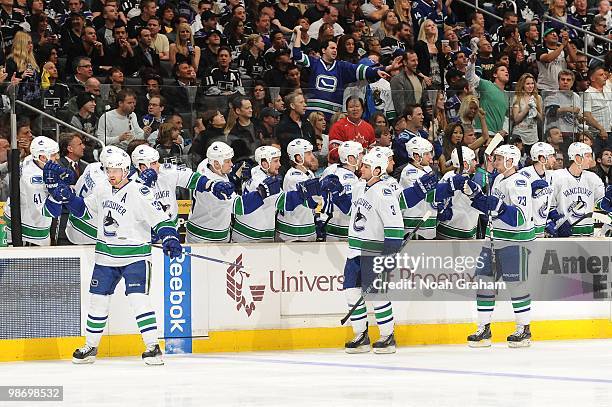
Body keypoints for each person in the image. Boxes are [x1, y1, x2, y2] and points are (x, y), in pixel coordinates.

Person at [43, 147, 183, 365]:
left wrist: (170, 237)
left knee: (139, 301)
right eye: (108, 169)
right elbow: (83, 211)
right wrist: (69, 198)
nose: (111, 173)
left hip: (135, 256)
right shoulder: (101, 188)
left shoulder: (140, 191)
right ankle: (90, 347)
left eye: (116, 169)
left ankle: (152, 347)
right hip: (105, 256)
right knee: (97, 303)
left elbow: (160, 218)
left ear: (126, 169)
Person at [460, 144, 535, 348]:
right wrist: (474, 196)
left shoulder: (519, 183)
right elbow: (490, 208)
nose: (495, 161)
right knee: (484, 282)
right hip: (493, 240)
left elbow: (518, 218)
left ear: (511, 161)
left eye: (500, 158)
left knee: (516, 285)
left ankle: (524, 329)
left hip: (514, 241)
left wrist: (496, 204)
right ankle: (484, 328)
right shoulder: (500, 179)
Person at [292, 25, 392, 118]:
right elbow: (297, 55)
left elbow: (361, 70)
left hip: (333, 115)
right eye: (332, 48)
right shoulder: (314, 62)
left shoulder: (341, 66)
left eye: (336, 48)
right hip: (313, 114)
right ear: (323, 50)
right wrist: (298, 34)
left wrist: (384, 69)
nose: (335, 50)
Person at [186, 141, 278, 243]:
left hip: (207, 229)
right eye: (228, 161)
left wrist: (234, 174)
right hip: (206, 238)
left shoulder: (206, 164)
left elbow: (223, 174)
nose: (232, 164)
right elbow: (240, 206)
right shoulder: (217, 190)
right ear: (216, 163)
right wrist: (262, 192)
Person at [232, 145, 320, 243]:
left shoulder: (255, 171)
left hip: (244, 233)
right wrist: (304, 192)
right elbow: (285, 202)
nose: (279, 164)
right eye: (275, 161)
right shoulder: (264, 183)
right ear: (265, 164)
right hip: (254, 238)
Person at [3, 136, 61, 246]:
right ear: (43, 157)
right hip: (29, 232)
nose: (57, 157)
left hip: (18, 221)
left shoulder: (31, 159)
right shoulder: (34, 182)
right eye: (53, 154)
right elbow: (48, 211)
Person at [547, 142, 612, 237]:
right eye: (588, 156)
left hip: (588, 233)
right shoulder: (557, 176)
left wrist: (608, 199)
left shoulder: (593, 178)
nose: (591, 160)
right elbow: (549, 205)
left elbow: (600, 204)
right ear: (577, 158)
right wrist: (557, 220)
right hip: (565, 233)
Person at [277, 139, 320, 242]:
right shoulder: (294, 177)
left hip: (306, 228)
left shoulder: (308, 173)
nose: (313, 157)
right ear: (299, 157)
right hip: (295, 233)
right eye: (308, 153)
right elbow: (310, 201)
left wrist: (317, 217)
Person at [319, 141, 363, 241]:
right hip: (343, 229)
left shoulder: (331, 169)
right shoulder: (350, 179)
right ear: (351, 158)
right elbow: (350, 208)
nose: (362, 158)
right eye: (360, 155)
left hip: (329, 225)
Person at [399, 137, 439, 239]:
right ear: (416, 156)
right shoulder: (408, 172)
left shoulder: (427, 168)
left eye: (430, 153)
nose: (430, 157)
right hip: (414, 226)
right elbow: (426, 195)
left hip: (427, 225)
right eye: (426, 154)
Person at [436, 146, 481, 239]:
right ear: (465, 164)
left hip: (445, 229)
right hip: (459, 232)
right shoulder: (466, 183)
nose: (476, 162)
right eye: (473, 160)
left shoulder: (448, 175)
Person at [519, 142, 556, 238]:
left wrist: (550, 218)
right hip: (525, 229)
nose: (554, 160)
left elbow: (547, 202)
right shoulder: (523, 175)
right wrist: (528, 191)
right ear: (542, 159)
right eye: (551, 156)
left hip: (541, 227)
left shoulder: (550, 175)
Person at [328, 97, 376, 164]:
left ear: (362, 109)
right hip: (341, 166)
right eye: (351, 107)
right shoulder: (337, 126)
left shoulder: (369, 127)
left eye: (357, 106)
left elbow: (373, 150)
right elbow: (333, 152)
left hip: (364, 166)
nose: (354, 109)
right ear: (347, 110)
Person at [511, 73, 543, 156]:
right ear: (522, 85)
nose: (530, 86)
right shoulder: (517, 98)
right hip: (519, 136)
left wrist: (534, 110)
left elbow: (541, 119)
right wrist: (527, 108)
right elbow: (516, 119)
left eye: (532, 83)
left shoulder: (538, 98)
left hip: (533, 136)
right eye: (528, 84)